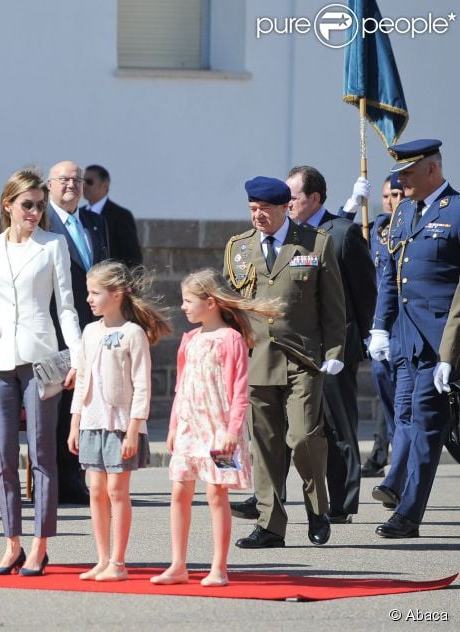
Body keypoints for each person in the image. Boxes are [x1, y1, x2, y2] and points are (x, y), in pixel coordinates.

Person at [0, 168, 81, 576]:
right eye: (26, 205)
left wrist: (77, 358)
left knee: (43, 453)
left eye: (39, 205)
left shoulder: (53, 245)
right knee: (4, 460)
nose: (34, 212)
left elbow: (65, 306)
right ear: (7, 205)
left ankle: (39, 543)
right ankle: (10, 542)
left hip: (40, 357)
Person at [224, 176, 345, 549]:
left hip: (302, 358)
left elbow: (333, 307)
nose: (258, 216)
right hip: (256, 358)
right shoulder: (239, 248)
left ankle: (317, 509)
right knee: (266, 444)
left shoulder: (314, 243)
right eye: (252, 209)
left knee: (304, 437)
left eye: (265, 209)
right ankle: (270, 525)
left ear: (284, 208)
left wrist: (334, 353)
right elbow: (232, 309)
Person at [152, 269, 279, 587]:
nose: (183, 306)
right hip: (188, 431)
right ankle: (178, 565)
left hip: (221, 433)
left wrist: (231, 432)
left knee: (216, 492)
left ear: (210, 302)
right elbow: (181, 387)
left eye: (188, 300)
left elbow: (239, 390)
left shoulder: (231, 339)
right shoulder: (190, 339)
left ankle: (218, 567)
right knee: (179, 490)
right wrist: (172, 426)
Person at [369, 139, 460, 538]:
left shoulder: (457, 211)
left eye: (407, 172)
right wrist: (380, 326)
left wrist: (449, 351)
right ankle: (407, 514)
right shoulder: (404, 212)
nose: (399, 179)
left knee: (432, 426)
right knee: (427, 424)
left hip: (445, 341)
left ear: (432, 171)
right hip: (410, 341)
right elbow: (392, 275)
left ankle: (407, 514)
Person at [67, 261, 170, 582]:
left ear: (117, 294)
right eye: (88, 292)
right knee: (95, 489)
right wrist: (75, 422)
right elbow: (82, 378)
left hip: (122, 423)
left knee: (117, 491)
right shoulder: (89, 331)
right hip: (91, 421)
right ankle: (101, 559)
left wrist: (134, 427)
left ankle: (118, 561)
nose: (89, 299)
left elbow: (142, 384)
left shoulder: (133, 333)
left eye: (96, 293)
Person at [285, 166, 376, 524]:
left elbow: (364, 292)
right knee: (307, 428)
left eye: (293, 196)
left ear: (315, 198)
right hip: (301, 347)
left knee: (338, 426)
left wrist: (359, 339)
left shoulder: (343, 233)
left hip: (336, 348)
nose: (287, 202)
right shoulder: (292, 234)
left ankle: (342, 500)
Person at [46, 160, 108, 505]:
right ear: (50, 184)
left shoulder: (92, 223)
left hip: (91, 329)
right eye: (64, 180)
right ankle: (55, 479)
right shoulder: (43, 221)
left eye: (77, 180)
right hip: (55, 330)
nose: (71, 185)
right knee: (57, 406)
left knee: (82, 404)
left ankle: (73, 477)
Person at [362, 174, 404, 479]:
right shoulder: (376, 229)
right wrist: (352, 205)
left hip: (411, 325)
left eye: (397, 195)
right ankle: (389, 461)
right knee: (384, 386)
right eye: (386, 196)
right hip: (383, 325)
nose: (391, 201)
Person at [82, 165, 142, 266]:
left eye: (89, 182)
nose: (84, 186)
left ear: (104, 186)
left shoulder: (121, 216)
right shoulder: (78, 214)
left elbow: (132, 257)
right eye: (82, 181)